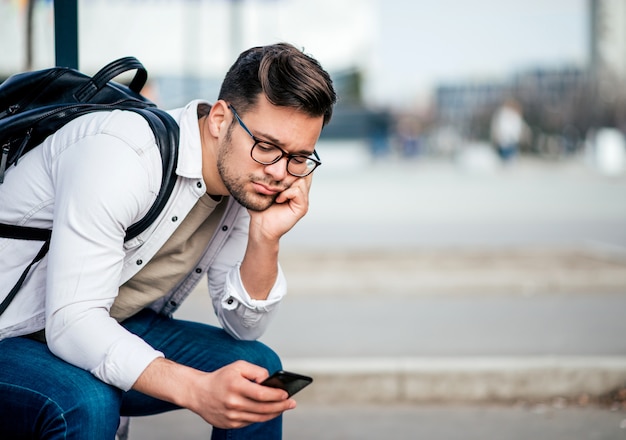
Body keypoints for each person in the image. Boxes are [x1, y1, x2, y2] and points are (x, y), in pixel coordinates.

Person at [0, 42, 336, 439]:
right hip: (15, 330)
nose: (280, 172)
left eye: (298, 157)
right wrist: (198, 390)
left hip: (106, 319)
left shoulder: (246, 181)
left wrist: (266, 237)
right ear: (219, 119)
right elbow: (72, 323)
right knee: (88, 400)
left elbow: (243, 328)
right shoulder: (123, 154)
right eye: (266, 146)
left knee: (255, 372)